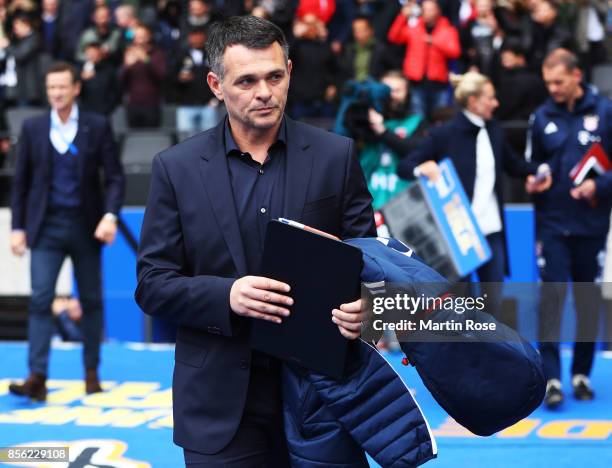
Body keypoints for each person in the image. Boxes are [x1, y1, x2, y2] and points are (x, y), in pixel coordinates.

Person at [135, 15, 375, 466]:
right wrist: (228, 294)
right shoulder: (177, 168)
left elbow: (372, 265)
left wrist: (368, 309)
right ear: (216, 84)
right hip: (220, 405)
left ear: (289, 71)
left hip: (324, 401)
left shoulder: (335, 156)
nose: (264, 91)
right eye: (246, 80)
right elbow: (152, 284)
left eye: (274, 76)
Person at [8, 61, 125, 402]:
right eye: (51, 88)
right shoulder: (32, 128)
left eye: (62, 86)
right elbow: (21, 183)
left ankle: (91, 372)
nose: (57, 93)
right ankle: (37, 377)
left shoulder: (97, 126)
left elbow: (115, 178)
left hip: (86, 227)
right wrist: (17, 227)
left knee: (90, 300)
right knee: (40, 299)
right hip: (45, 227)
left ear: (76, 88)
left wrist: (110, 216)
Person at [397, 71, 551, 316]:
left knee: (493, 303)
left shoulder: (494, 130)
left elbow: (515, 165)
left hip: (491, 230)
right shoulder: (445, 134)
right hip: (458, 233)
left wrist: (541, 170)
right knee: (459, 304)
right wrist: (421, 168)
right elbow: (404, 167)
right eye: (490, 98)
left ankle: (490, 354)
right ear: (473, 101)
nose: (496, 103)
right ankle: (462, 353)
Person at [527, 48, 612, 408]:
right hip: (552, 225)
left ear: (577, 75)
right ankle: (551, 379)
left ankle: (580, 373)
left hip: (591, 225)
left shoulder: (605, 111)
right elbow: (532, 163)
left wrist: (600, 185)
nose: (553, 89)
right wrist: (534, 182)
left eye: (559, 81)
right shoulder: (540, 115)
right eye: (548, 83)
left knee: (586, 301)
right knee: (552, 301)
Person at [387, 0, 461, 119]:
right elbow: (394, 37)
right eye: (425, 9)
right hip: (417, 82)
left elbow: (455, 52)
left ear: (438, 11)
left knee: (439, 117)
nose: (427, 13)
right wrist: (402, 16)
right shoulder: (415, 28)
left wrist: (434, 41)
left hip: (438, 84)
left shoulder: (447, 29)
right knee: (417, 118)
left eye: (430, 9)